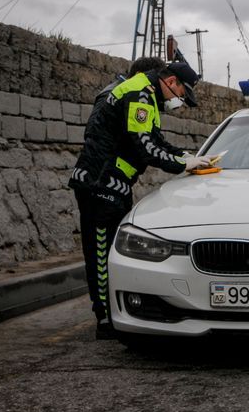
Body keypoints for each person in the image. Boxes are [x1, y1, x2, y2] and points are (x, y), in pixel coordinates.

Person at [68, 60, 212, 338]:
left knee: (108, 252)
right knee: (100, 254)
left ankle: (113, 314)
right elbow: (146, 147)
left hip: (112, 184)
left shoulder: (144, 94)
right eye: (180, 94)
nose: (178, 101)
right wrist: (183, 165)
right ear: (171, 81)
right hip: (100, 183)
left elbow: (154, 139)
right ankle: (106, 320)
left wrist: (185, 156)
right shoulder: (140, 94)